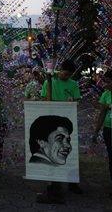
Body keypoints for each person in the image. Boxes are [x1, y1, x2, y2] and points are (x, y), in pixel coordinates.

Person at [36, 60, 81, 204]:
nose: (65, 76)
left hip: (67, 124)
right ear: (59, 70)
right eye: (64, 73)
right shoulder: (49, 82)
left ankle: (71, 182)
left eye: (69, 75)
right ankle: (52, 185)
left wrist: (72, 101)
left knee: (68, 152)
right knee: (52, 152)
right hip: (51, 124)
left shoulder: (73, 84)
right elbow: (44, 100)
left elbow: (77, 101)